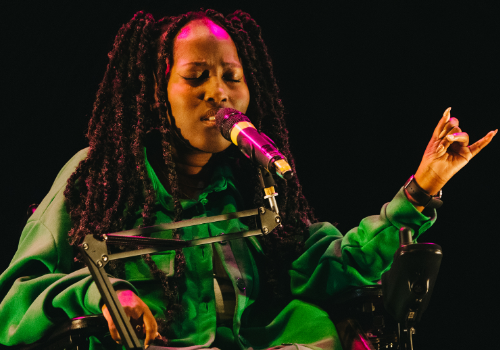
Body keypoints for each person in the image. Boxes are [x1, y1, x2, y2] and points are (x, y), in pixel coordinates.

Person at [0, 9, 496, 350]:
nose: (219, 93)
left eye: (232, 77)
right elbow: (13, 304)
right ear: (157, 93)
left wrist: (422, 187)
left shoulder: (254, 190)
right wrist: (100, 294)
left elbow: (334, 267)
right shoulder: (98, 181)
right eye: (196, 77)